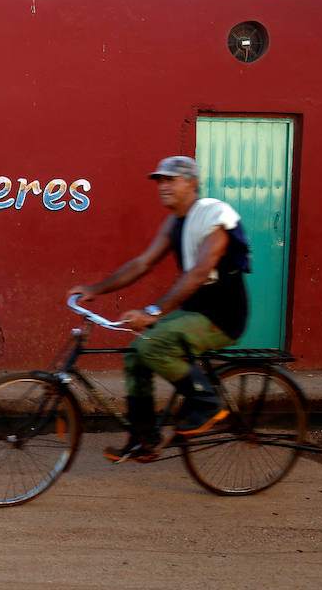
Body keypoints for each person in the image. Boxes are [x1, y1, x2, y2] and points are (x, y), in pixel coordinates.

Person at [68, 156, 250, 463]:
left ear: (192, 183)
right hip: (192, 313)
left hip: (221, 317)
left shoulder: (214, 215)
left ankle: (207, 402)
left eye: (170, 180)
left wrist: (153, 312)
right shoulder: (175, 222)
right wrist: (95, 290)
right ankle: (144, 439)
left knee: (154, 345)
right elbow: (143, 263)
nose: (163, 186)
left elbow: (198, 273)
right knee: (136, 357)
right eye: (160, 181)